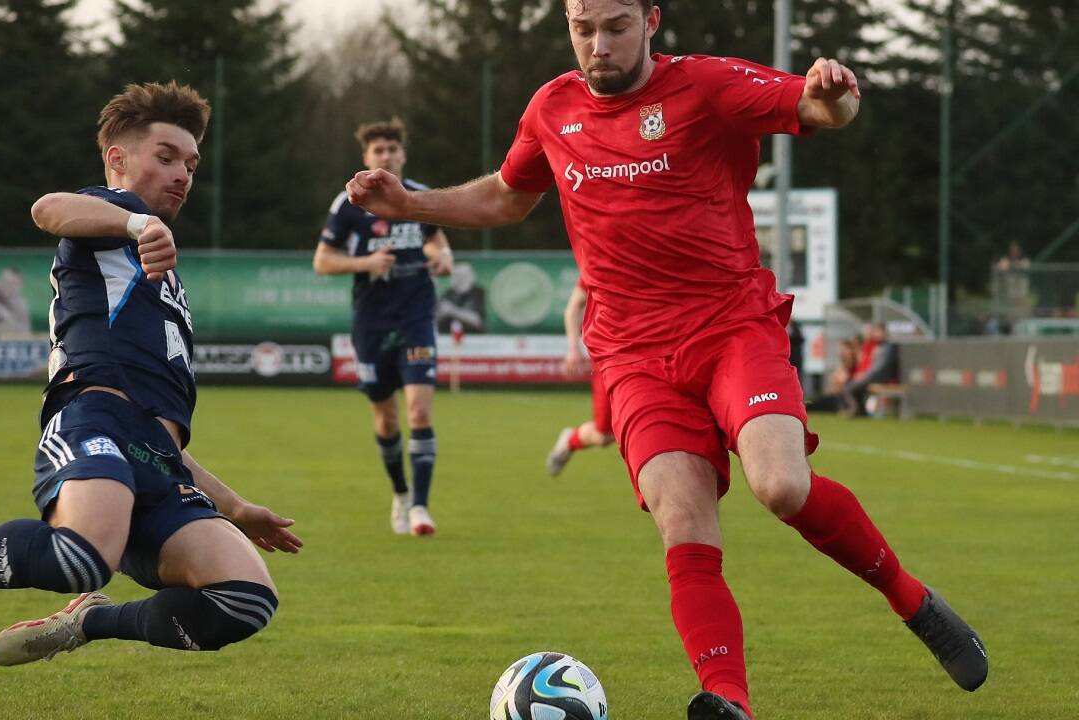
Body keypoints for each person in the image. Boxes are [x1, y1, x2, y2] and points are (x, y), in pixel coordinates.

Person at [345, 2, 987, 717]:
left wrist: (837, 92)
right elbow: (505, 197)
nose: (598, 44)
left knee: (780, 486)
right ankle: (728, 700)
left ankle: (914, 602)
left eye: (615, 26)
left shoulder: (706, 87)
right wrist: (410, 202)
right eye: (583, 28)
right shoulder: (551, 108)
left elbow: (818, 107)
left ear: (651, 20)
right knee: (682, 521)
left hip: (731, 329)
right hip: (633, 357)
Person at [0, 81, 302, 666]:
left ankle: (90, 621)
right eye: (167, 156)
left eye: (192, 164)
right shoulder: (111, 219)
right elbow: (47, 209)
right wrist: (134, 224)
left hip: (158, 458)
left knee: (245, 602)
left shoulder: (164, 272)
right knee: (82, 558)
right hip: (93, 416)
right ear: (117, 160)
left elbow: (159, 423)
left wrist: (235, 505)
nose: (183, 174)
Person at [313, 118, 453, 537]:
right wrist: (365, 264)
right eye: (378, 151)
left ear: (402, 155)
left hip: (416, 320)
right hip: (371, 325)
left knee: (419, 410)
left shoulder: (420, 196)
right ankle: (401, 493)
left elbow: (436, 240)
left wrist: (443, 256)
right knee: (387, 419)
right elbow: (322, 261)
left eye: (392, 149)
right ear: (366, 158)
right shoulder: (349, 204)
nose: (386, 156)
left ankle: (422, 509)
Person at [546, 281, 615, 475]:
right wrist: (573, 348)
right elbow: (573, 307)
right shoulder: (602, 260)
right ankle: (570, 440)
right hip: (611, 358)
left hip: (656, 354)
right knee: (604, 436)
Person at [436, 261, 487, 334]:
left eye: (460, 275)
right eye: (455, 274)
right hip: (447, 336)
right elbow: (437, 318)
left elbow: (477, 320)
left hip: (473, 337)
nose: (455, 277)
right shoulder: (448, 293)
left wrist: (452, 310)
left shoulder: (478, 292)